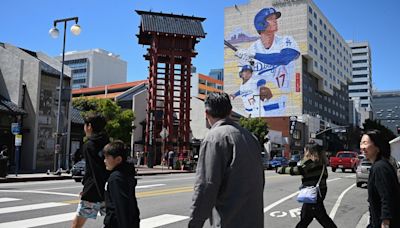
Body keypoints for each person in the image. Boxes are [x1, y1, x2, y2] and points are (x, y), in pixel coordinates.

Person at [189, 92, 265, 228]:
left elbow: (206, 185)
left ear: (206, 113)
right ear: (230, 111)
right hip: (254, 220)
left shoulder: (214, 137)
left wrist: (195, 223)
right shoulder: (251, 137)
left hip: (229, 221)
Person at [277, 142, 337, 228]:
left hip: (312, 195)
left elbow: (297, 170)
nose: (304, 152)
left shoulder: (310, 162)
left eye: (305, 150)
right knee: (306, 218)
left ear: (310, 151)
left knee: (322, 219)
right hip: (319, 193)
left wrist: (280, 169)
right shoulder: (322, 163)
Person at [71, 113, 110, 228]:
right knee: (114, 222)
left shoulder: (90, 145)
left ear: (89, 127)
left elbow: (94, 171)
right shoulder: (107, 142)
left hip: (94, 191)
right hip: (108, 190)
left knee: (76, 225)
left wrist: (87, 190)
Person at [360, 130, 400, 228]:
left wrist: (385, 223)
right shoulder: (381, 165)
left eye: (365, 143)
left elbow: (386, 197)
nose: (362, 148)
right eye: (361, 143)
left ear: (377, 147)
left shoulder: (380, 167)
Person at [103, 140, 140, 228]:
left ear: (118, 159)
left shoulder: (116, 178)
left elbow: (121, 207)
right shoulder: (125, 174)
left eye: (107, 158)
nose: (104, 161)